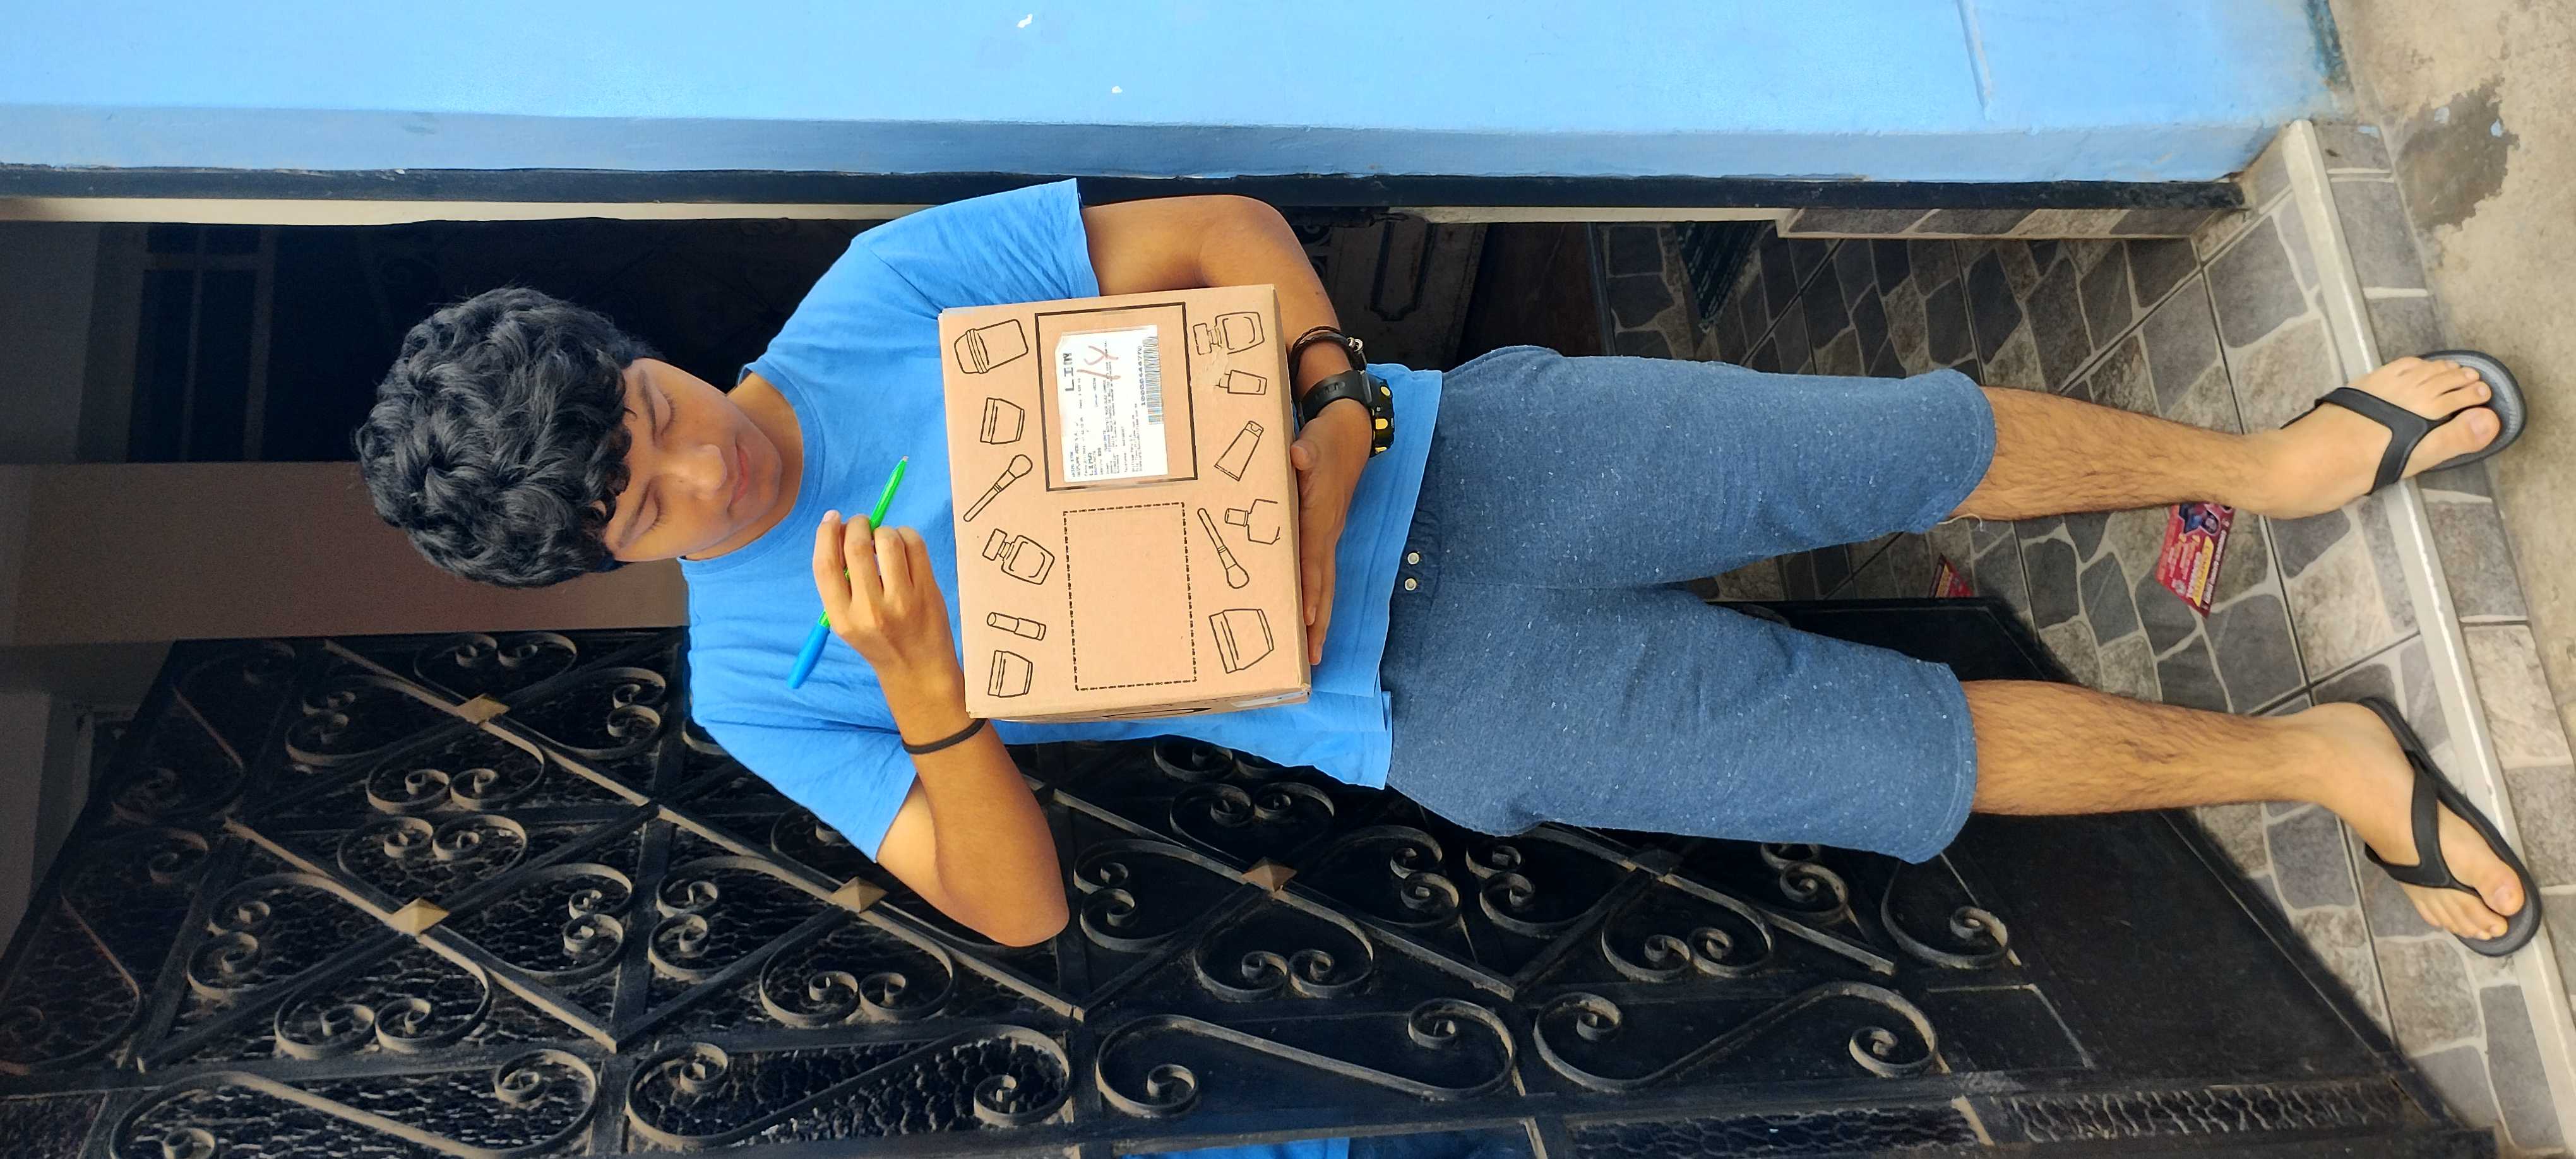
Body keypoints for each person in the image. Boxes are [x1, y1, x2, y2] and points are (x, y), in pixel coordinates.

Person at [355, 182, 2540, 956]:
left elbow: (1214, 238)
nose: (699, 458)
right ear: (605, 561)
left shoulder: (875, 293)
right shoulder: (758, 684)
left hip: (1483, 453)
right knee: (1904, 763)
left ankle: (2269, 462)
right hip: (1417, 706)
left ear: (629, 348)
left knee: (1903, 444)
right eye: (641, 501)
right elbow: (1014, 906)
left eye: (645, 404)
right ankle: (2314, 760)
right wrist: (930, 694)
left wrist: (1333, 411)